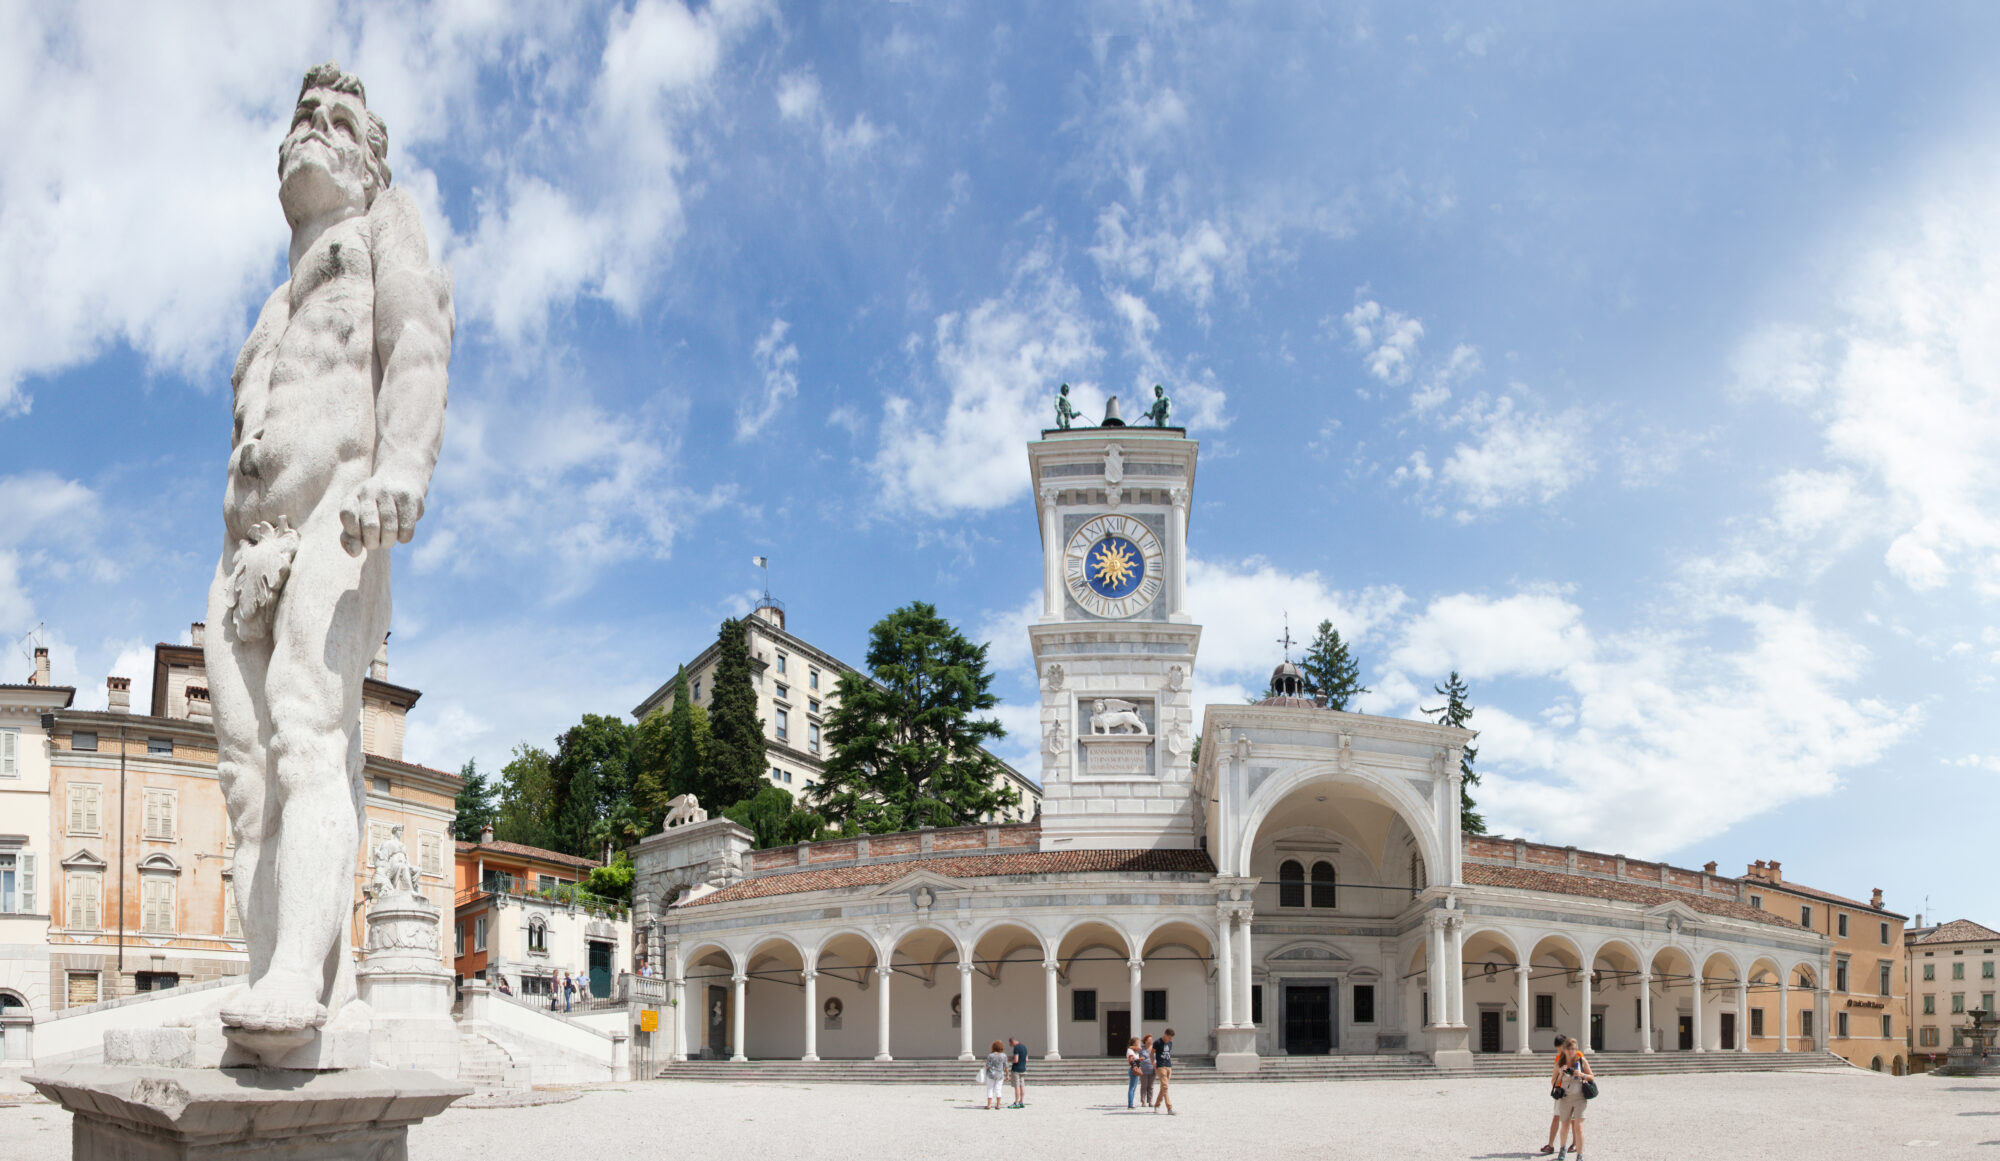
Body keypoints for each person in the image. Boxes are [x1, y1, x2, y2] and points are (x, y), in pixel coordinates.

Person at [208, 61, 453, 1051]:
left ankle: (291, 992)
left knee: (310, 733)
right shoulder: (271, 304)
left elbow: (419, 344)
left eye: (336, 117)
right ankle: (294, 976)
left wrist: (403, 465)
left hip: (341, 517)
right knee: (244, 777)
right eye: (301, 115)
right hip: (242, 545)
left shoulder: (387, 225)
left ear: (367, 156)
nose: (312, 125)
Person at [1550, 1035, 1594, 1160]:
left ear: (1576, 1049)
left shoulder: (1581, 1061)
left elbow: (1592, 1076)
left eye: (1573, 1048)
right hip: (1565, 1098)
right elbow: (1553, 1082)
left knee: (1579, 1127)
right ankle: (1563, 1148)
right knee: (1565, 1126)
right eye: (1569, 1048)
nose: (1571, 1051)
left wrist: (1582, 1074)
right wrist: (1560, 1074)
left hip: (1580, 1098)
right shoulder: (1560, 1063)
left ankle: (1579, 1155)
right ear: (1565, 1049)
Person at [1539, 1034, 1567, 1153]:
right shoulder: (1558, 1058)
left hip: (1574, 1093)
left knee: (1574, 1120)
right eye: (1558, 1050)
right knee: (1557, 1117)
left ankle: (1574, 1145)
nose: (1560, 1052)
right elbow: (1553, 1078)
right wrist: (1556, 1084)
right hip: (1561, 1093)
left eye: (1561, 1049)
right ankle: (1550, 1145)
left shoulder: (1577, 1057)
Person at [1152, 1027, 1176, 1115]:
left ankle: (1157, 1105)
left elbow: (1168, 1054)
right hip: (1160, 1066)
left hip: (1168, 1065)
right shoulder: (1157, 1042)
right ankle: (1169, 1108)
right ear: (1165, 1035)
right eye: (1169, 1037)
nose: (1170, 1039)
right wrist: (1153, 1064)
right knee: (1165, 1087)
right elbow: (1152, 1054)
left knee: (1163, 1087)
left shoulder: (1170, 1043)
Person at [983, 1040, 1009, 1110]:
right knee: (998, 1089)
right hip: (1000, 1074)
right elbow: (1006, 1066)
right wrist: (1007, 1075)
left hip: (991, 1074)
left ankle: (988, 1105)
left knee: (990, 1089)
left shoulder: (990, 1055)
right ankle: (998, 1105)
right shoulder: (1004, 1055)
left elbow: (987, 1066)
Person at [1136, 1033, 1156, 1108]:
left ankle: (1150, 1101)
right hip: (1143, 1069)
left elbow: (1156, 1058)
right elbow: (1137, 1058)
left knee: (1151, 1086)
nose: (1151, 1041)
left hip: (1152, 1069)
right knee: (1144, 1086)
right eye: (1149, 1039)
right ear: (1145, 1041)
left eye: (1151, 1039)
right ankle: (1143, 1101)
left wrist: (1156, 1066)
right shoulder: (1141, 1049)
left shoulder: (1154, 1049)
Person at [1008, 1036, 1029, 1108]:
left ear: (1012, 1042)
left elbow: (1016, 1060)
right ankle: (1021, 1101)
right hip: (1023, 1069)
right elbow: (1026, 1059)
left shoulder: (1016, 1048)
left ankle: (1016, 1102)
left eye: (1010, 1045)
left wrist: (1010, 1060)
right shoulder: (1024, 1047)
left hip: (1016, 1069)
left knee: (1017, 1086)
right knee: (1022, 1086)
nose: (1011, 1046)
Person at [1125, 1036, 1144, 1108]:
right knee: (1132, 1088)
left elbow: (1140, 1048)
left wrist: (1139, 1059)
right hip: (1134, 1069)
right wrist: (1136, 1065)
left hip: (1136, 1068)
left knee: (1134, 1088)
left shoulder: (1134, 1051)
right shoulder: (1130, 1051)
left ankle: (1131, 1102)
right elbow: (1130, 1060)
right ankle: (1130, 1104)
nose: (1138, 1044)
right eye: (1137, 1043)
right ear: (1134, 1043)